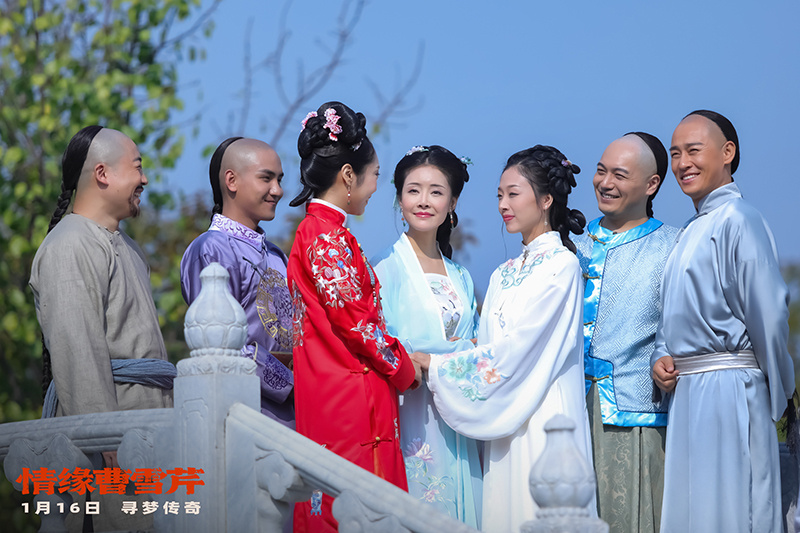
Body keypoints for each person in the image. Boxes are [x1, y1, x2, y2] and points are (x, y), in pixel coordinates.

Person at [412, 145, 593, 533]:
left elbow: (523, 347)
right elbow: (485, 347)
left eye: (513, 194)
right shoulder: (502, 273)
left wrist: (438, 365)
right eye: (499, 195)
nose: (503, 205)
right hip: (505, 413)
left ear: (546, 199)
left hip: (544, 410)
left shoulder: (562, 266)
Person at [651, 110, 794, 532]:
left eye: (693, 150)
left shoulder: (739, 219)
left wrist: (780, 392)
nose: (682, 163)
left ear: (727, 152)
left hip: (731, 390)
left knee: (734, 508)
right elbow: (670, 317)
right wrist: (662, 357)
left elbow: (769, 315)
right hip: (687, 393)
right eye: (675, 154)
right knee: (692, 511)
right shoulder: (690, 230)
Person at [29, 126, 175, 532]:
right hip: (114, 444)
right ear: (102, 174)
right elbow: (78, 354)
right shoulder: (69, 244)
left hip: (147, 427)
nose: (145, 179)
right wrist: (103, 437)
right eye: (137, 167)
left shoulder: (129, 248)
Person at [287, 101, 422, 532]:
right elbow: (358, 324)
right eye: (375, 174)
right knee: (355, 510)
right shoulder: (327, 237)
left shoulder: (321, 233)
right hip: (347, 400)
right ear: (348, 175)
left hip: (328, 389)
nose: (377, 187)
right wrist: (405, 368)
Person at [372, 145, 482, 526]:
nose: (423, 201)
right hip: (410, 410)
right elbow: (381, 344)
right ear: (399, 199)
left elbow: (479, 347)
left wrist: (444, 358)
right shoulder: (384, 268)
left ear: (452, 203)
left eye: (436, 191)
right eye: (413, 190)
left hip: (457, 415)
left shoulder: (461, 275)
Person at [575, 133, 677, 533]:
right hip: (569, 410)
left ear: (651, 184)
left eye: (619, 175)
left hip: (637, 415)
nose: (605, 183)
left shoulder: (674, 246)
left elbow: (684, 323)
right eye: (601, 171)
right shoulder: (571, 245)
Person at [181, 137, 294, 428]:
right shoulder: (212, 248)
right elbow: (222, 345)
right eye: (266, 178)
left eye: (279, 180)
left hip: (294, 416)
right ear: (231, 180)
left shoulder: (276, 255)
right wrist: (291, 383)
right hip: (243, 416)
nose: (277, 190)